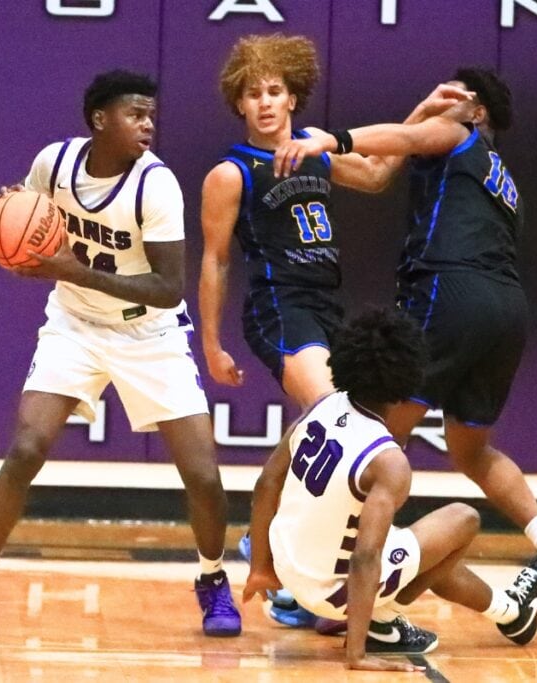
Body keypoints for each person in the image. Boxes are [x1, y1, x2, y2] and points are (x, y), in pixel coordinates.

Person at [273, 67, 537, 630]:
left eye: (454, 95)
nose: (442, 101)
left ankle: (344, 588)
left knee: (371, 434)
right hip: (507, 309)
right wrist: (417, 109)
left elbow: (406, 140)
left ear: (478, 112)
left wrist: (333, 138)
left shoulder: (457, 133)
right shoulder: (503, 180)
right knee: (471, 450)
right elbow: (381, 170)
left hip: (450, 291)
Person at [0, 70, 240, 639]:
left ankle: (211, 578)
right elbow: (27, 225)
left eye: (152, 115)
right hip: (75, 324)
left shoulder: (157, 186)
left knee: (202, 474)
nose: (148, 125)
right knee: (27, 447)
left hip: (149, 334)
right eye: (135, 114)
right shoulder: (52, 165)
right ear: (100, 119)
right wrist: (8, 230)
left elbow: (167, 288)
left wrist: (71, 269)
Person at [200, 33, 470, 634]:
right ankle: (271, 554)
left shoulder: (315, 153)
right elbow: (216, 261)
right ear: (239, 105)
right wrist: (212, 344)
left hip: (327, 305)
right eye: (253, 94)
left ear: (293, 97)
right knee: (333, 420)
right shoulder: (230, 173)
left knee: (338, 432)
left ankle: (301, 572)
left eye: (274, 91)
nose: (265, 103)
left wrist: (421, 113)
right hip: (279, 308)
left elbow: (375, 175)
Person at [243, 307, 537, 672]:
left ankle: (511, 612)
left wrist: (260, 567)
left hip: (287, 565)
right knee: (462, 519)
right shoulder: (387, 460)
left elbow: (267, 482)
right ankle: (382, 623)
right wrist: (356, 655)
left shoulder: (322, 406)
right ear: (407, 379)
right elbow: (365, 558)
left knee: (424, 549)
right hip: (330, 593)